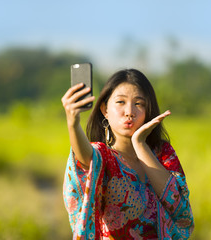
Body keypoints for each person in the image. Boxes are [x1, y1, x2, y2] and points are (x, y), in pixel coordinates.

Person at [62, 69, 194, 239]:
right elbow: (86, 158)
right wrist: (73, 124)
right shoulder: (105, 157)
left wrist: (140, 144)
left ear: (148, 110)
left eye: (139, 104)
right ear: (105, 110)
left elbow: (179, 208)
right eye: (120, 102)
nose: (129, 111)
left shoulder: (163, 154)